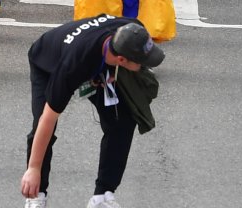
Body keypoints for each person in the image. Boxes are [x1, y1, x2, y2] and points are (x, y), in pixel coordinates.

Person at [21, 16, 164, 208]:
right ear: (122, 59)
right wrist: (33, 168)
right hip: (47, 62)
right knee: (43, 125)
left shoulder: (132, 29)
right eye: (142, 61)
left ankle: (102, 196)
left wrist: (111, 72)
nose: (145, 64)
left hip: (99, 59)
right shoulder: (74, 65)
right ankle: (37, 194)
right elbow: (47, 119)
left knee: (122, 121)